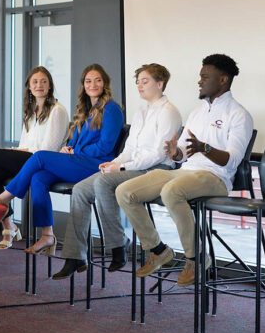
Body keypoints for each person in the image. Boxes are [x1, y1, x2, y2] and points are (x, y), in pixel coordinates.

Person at [116, 54, 253, 287]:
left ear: (223, 79)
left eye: (205, 77)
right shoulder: (197, 112)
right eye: (200, 77)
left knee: (171, 191)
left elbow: (231, 161)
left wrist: (205, 148)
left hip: (215, 177)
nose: (199, 81)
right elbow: (182, 152)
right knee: (125, 191)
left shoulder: (239, 114)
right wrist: (175, 152)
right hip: (186, 172)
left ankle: (196, 258)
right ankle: (158, 250)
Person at [53, 63, 182, 279]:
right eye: (138, 81)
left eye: (145, 81)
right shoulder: (141, 111)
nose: (140, 86)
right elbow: (130, 148)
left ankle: (118, 245)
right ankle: (75, 256)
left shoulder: (169, 112)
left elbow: (159, 155)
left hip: (155, 170)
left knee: (103, 182)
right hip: (135, 166)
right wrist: (115, 163)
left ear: (160, 84)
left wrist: (121, 167)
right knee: (82, 189)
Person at [0, 64, 124, 256]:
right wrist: (67, 148)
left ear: (105, 83)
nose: (93, 84)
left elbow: (106, 146)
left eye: (97, 80)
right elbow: (74, 141)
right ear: (83, 85)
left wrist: (77, 150)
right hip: (78, 161)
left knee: (41, 156)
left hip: (96, 165)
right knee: (39, 178)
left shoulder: (111, 109)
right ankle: (47, 235)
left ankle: (4, 198)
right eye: (88, 81)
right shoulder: (85, 109)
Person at [0, 66, 69, 249]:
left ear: (50, 86)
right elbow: (25, 144)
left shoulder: (57, 110)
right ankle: (9, 225)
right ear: (29, 87)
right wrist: (16, 150)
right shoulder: (30, 113)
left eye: (43, 81)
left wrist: (19, 151)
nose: (39, 85)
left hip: (45, 163)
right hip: (30, 159)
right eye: (35, 82)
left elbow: (48, 150)